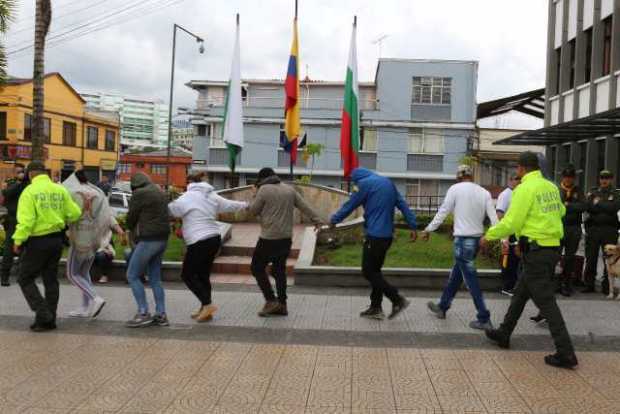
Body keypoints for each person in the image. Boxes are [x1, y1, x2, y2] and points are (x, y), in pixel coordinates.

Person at [483, 151, 578, 369]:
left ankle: (566, 353)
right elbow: (562, 210)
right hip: (550, 249)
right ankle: (504, 333)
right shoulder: (551, 187)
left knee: (547, 303)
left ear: (521, 168)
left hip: (537, 252)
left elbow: (512, 222)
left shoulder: (524, 188)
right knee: (520, 293)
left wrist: (488, 235)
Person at [331, 168, 417, 320]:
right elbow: (402, 204)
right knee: (376, 271)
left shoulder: (362, 184)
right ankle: (376, 307)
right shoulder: (388, 183)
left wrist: (334, 220)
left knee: (368, 272)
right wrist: (413, 225)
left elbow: (350, 204)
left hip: (375, 236)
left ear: (355, 179)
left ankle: (397, 299)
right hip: (387, 237)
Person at [424, 165, 498, 330]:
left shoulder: (455, 189)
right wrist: (497, 237)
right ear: (472, 176)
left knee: (471, 280)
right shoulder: (484, 192)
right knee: (457, 275)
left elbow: (443, 212)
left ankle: (484, 317)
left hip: (462, 240)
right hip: (476, 240)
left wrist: (428, 228)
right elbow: (494, 219)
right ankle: (442, 307)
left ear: (458, 177)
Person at [169, 173, 247, 322]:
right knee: (203, 274)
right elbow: (230, 205)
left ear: (189, 183)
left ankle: (207, 304)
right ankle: (205, 309)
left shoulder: (187, 197)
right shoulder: (212, 195)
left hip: (199, 240)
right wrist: (247, 205)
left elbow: (172, 211)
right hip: (214, 238)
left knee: (187, 275)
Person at [13, 161, 82, 332]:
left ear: (30, 174)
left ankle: (43, 314)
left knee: (24, 278)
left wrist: (18, 240)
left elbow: (26, 221)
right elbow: (74, 213)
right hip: (56, 242)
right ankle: (48, 321)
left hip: (37, 241)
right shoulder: (59, 189)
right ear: (45, 172)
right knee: (50, 279)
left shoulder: (29, 191)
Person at [248, 168, 324, 317]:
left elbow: (253, 211)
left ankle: (271, 300)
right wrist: (318, 221)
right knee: (278, 270)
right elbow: (305, 206)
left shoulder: (263, 190)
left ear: (261, 179)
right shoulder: (289, 189)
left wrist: (254, 194)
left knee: (256, 268)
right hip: (286, 238)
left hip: (268, 238)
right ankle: (282, 304)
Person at [64, 170, 124, 318]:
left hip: (79, 237)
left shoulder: (71, 192)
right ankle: (85, 307)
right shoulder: (98, 192)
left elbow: (68, 214)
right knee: (84, 273)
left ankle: (95, 298)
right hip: (95, 240)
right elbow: (107, 214)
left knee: (72, 274)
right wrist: (117, 227)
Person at [124, 172, 170, 328]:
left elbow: (131, 218)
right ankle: (161, 314)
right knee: (155, 279)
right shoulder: (159, 191)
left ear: (134, 186)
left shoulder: (139, 194)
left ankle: (143, 313)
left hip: (148, 240)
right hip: (163, 239)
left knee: (132, 275)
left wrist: (128, 228)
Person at [582, 170, 620, 294]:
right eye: (602, 178)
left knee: (609, 259)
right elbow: (588, 206)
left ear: (611, 179)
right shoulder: (593, 192)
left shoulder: (616, 193)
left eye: (607, 178)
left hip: (609, 229)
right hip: (594, 229)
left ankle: (606, 285)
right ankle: (589, 284)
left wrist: (598, 203)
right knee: (591, 257)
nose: (604, 180)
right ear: (599, 179)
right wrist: (603, 205)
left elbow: (613, 208)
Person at [557, 165, 586, 297]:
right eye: (566, 177)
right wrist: (572, 206)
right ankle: (554, 283)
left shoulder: (578, 190)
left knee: (569, 258)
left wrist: (567, 205)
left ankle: (566, 284)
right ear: (562, 177)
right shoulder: (556, 190)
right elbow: (556, 207)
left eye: (571, 177)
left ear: (574, 178)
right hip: (558, 226)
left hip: (574, 228)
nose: (568, 179)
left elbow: (583, 206)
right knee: (555, 255)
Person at [1, 163, 28, 286]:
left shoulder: (28, 185)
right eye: (17, 172)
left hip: (25, 221)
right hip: (13, 220)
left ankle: (22, 276)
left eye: (21, 171)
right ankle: (4, 277)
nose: (20, 174)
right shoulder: (11, 183)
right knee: (9, 250)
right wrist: (18, 182)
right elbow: (7, 193)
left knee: (25, 250)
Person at [496, 174, 521, 296]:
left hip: (516, 233)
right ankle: (506, 287)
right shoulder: (505, 194)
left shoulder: (519, 193)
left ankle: (512, 285)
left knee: (515, 261)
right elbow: (499, 214)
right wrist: (504, 234)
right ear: (510, 180)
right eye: (516, 178)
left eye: (519, 179)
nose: (518, 181)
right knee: (507, 260)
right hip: (508, 234)